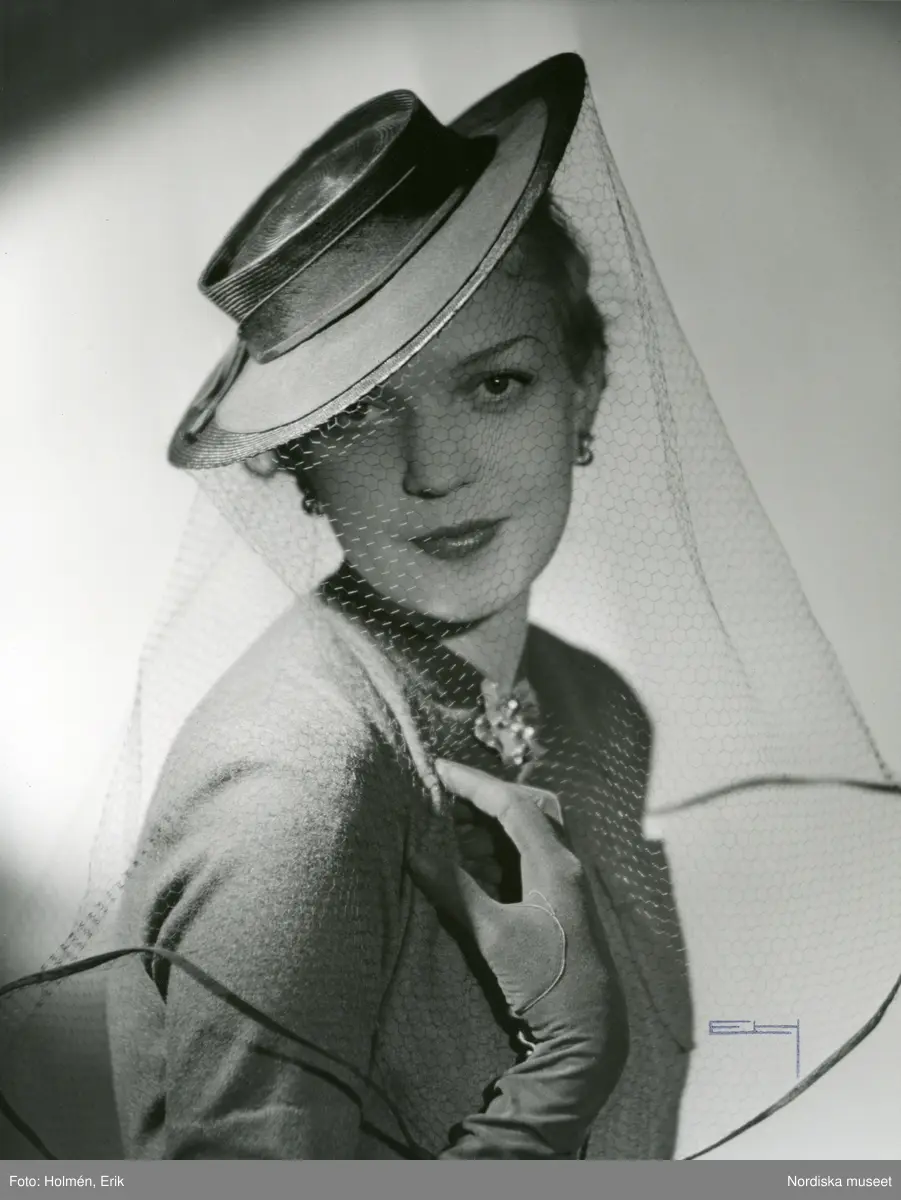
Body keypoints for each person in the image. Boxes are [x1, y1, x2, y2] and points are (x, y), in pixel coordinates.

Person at [3, 51, 897, 1164]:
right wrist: (563, 1068)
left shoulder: (591, 708)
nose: (435, 470)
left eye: (495, 384)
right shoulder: (298, 792)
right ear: (299, 465)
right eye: (363, 415)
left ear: (583, 390)